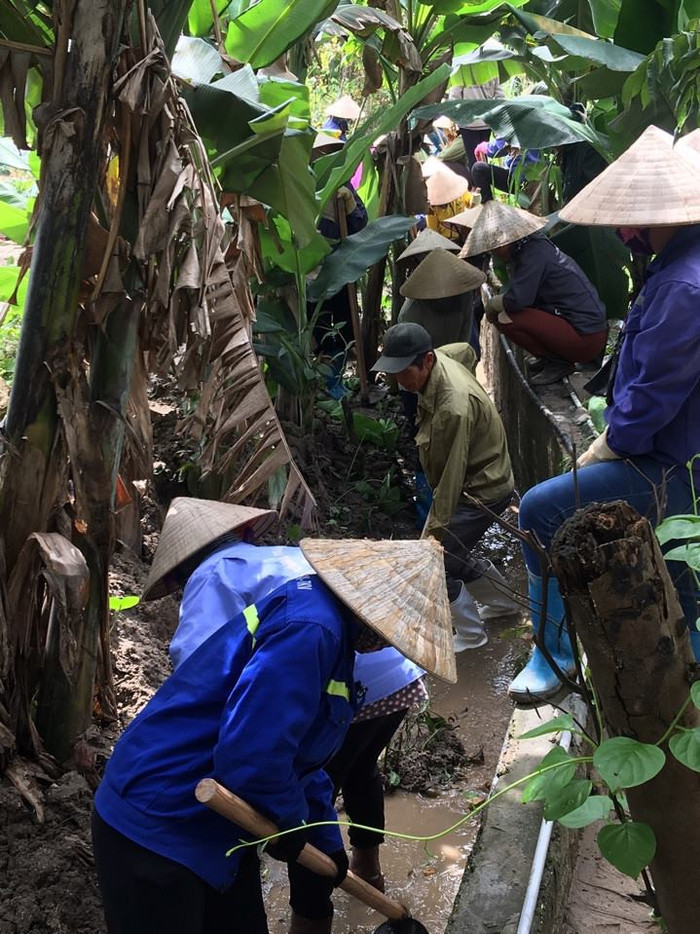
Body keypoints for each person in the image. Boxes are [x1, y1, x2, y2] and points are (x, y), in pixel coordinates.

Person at [92, 497, 455, 934]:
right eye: (392, 636)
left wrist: (324, 839)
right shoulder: (312, 630)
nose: (387, 647)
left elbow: (302, 759)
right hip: (159, 821)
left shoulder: (332, 636)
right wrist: (292, 825)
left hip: (223, 823)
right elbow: (252, 757)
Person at [507, 124, 700, 705]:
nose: (626, 232)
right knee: (682, 585)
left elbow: (650, 401)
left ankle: (554, 653)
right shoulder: (676, 265)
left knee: (540, 509)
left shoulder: (683, 286)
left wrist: (606, 446)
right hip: (676, 449)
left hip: (675, 464)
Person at [161, 499, 427, 899]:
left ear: (181, 567)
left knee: (305, 794)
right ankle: (369, 874)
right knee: (360, 768)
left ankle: (311, 913)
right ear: (244, 533)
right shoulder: (278, 556)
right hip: (397, 668)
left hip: (348, 672)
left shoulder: (212, 572)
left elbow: (196, 663)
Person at [372, 323, 521, 652]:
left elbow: (450, 480)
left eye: (404, 372)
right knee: (453, 554)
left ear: (426, 360)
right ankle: (503, 605)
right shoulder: (443, 357)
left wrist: (432, 537)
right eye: (394, 372)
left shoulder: (451, 409)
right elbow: (466, 351)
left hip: (482, 490)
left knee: (437, 560)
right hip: (485, 477)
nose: (399, 381)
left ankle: (471, 635)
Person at [461, 201, 608, 385]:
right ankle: (551, 358)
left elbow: (517, 301)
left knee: (507, 319)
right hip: (581, 329)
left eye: (496, 246)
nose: (495, 252)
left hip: (586, 336)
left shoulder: (533, 255)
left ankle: (558, 363)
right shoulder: (532, 248)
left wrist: (494, 304)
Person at [471, 137, 542, 203]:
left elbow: (498, 148)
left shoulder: (520, 128)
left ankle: (489, 207)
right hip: (542, 178)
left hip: (520, 180)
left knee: (478, 169)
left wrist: (484, 147)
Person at [424, 163, 473, 244]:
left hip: (465, 236)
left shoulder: (460, 193)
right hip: (448, 242)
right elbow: (434, 233)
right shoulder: (432, 209)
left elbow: (472, 204)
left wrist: (476, 198)